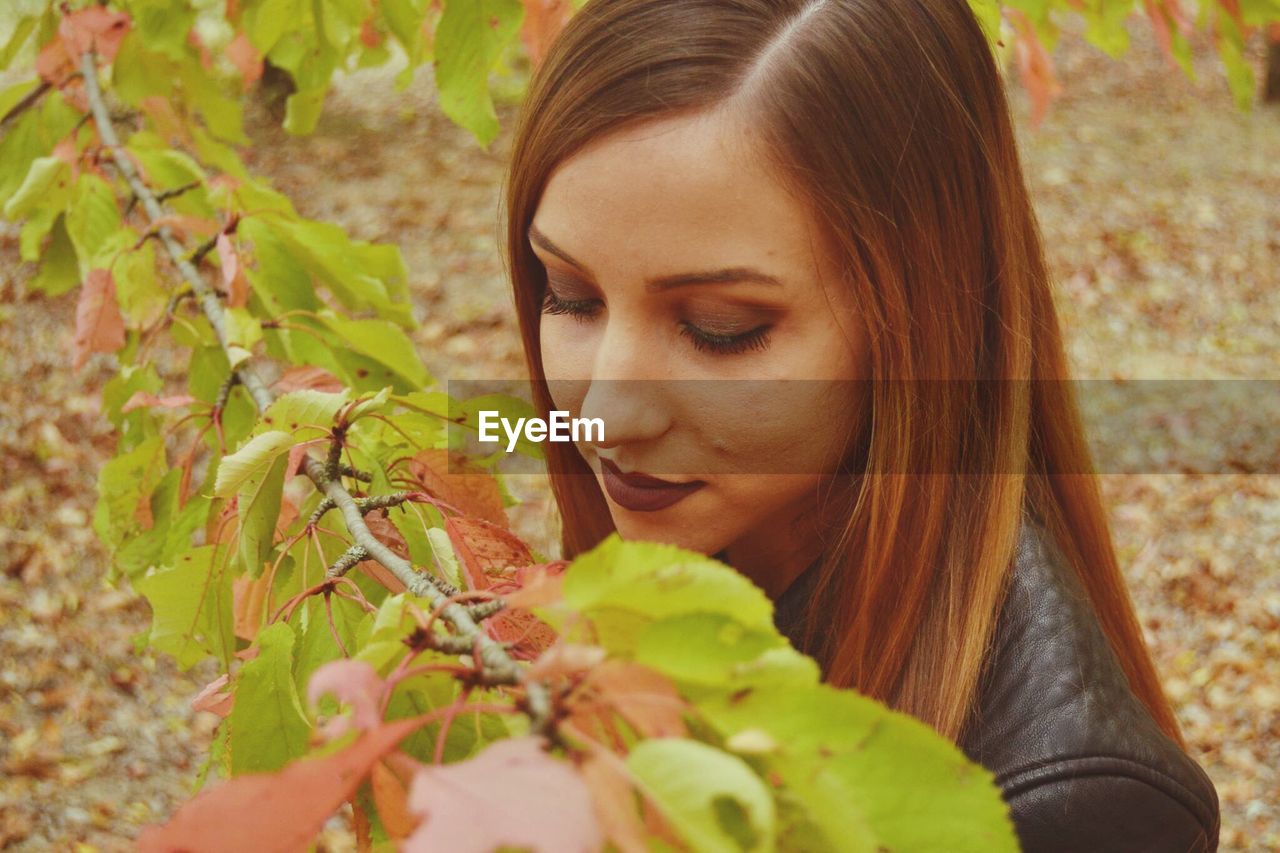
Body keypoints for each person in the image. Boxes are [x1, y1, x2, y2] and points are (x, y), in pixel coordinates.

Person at [501, 0, 1220, 849]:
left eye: (721, 327)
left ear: (917, 323)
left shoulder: (1062, 806)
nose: (602, 415)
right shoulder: (704, 554)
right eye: (571, 296)